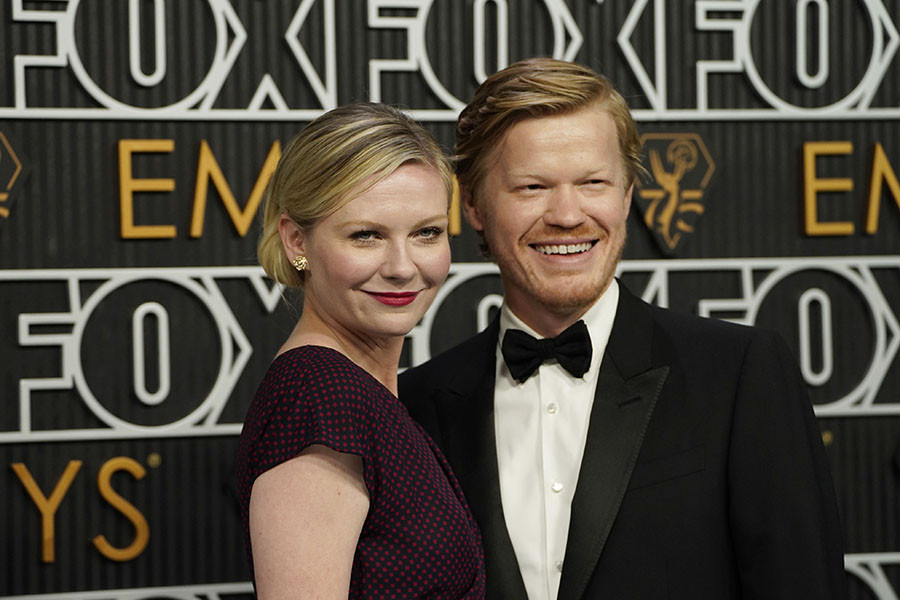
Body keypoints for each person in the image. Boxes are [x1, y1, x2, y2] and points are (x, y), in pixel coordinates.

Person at [400, 58, 846, 599]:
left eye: (593, 182)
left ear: (628, 194)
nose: (567, 214)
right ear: (472, 203)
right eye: (532, 187)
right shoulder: (416, 403)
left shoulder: (737, 376)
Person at [236, 103, 485, 598]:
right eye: (366, 235)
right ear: (294, 240)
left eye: (426, 233)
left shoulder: (360, 392)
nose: (401, 266)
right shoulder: (319, 400)